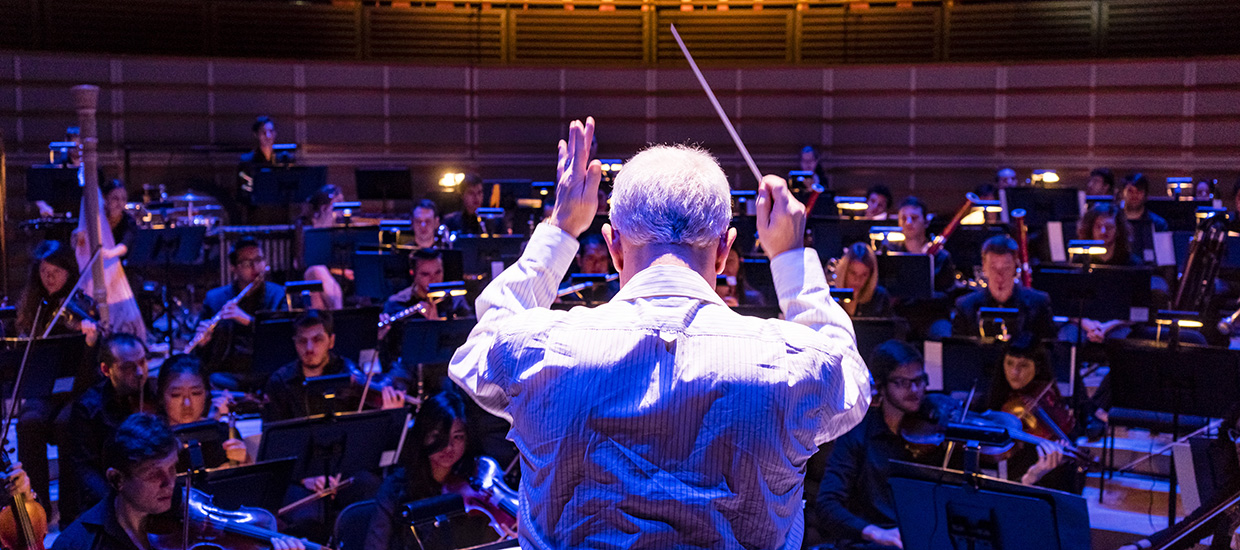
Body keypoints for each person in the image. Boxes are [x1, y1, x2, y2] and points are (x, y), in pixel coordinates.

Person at [450, 118, 870, 549]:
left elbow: (483, 341)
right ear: (725, 250)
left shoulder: (539, 349)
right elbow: (850, 373)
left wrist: (561, 229)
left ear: (613, 248)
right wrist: (791, 257)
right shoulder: (794, 363)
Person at [53, 413, 307, 550]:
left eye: (172, 468)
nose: (169, 482)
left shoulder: (191, 518)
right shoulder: (79, 544)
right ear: (117, 479)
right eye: (153, 474)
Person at [816, 340, 936, 549]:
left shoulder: (937, 430)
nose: (915, 389)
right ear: (881, 385)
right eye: (902, 382)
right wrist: (875, 533)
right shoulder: (858, 432)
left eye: (919, 380)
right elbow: (827, 504)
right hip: (875, 541)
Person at [365, 389, 506, 550]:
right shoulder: (395, 488)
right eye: (437, 436)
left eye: (458, 437)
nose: (448, 446)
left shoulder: (477, 487)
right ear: (423, 436)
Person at [1119, 402, 1240, 550]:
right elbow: (1191, 528)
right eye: (1237, 434)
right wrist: (1140, 546)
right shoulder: (1234, 487)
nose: (1238, 443)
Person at [62, 333, 153, 528]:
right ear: (106, 369)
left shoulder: (154, 395)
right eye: (128, 367)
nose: (139, 372)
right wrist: (119, 503)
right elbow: (84, 469)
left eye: (142, 362)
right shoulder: (88, 408)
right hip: (110, 501)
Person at [976, 333, 1079, 492]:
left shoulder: (1048, 400)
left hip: (1037, 480)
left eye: (1023, 365)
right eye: (1009, 363)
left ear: (1037, 368)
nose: (1014, 372)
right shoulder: (990, 400)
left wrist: (1036, 473)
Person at [263, 310, 403, 423]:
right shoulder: (279, 382)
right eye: (302, 341)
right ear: (294, 343)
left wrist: (387, 414)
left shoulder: (347, 371)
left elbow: (365, 428)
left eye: (318, 339)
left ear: (331, 341)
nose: (309, 348)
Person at [194, 237, 288, 390]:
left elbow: (282, 338)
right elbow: (201, 354)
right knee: (210, 380)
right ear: (233, 268)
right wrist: (203, 343)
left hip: (266, 371)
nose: (255, 267)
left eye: (259, 260)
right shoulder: (215, 299)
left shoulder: (278, 295)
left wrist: (248, 321)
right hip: (228, 372)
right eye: (246, 263)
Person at [950, 236, 1055, 341]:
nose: (999, 276)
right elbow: (958, 352)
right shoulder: (965, 306)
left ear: (1015, 267)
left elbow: (1048, 350)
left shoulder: (1038, 303)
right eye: (993, 267)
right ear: (984, 267)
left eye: (1006, 268)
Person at [156, 354, 251, 469]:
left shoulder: (225, 434)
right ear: (161, 396)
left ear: (206, 393)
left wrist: (244, 461)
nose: (187, 404)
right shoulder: (154, 441)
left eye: (196, 393)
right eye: (176, 395)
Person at [382, 248, 472, 324]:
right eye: (425, 274)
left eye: (438, 272)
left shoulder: (455, 299)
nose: (434, 279)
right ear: (413, 274)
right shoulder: (396, 303)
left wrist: (436, 323)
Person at [895, 197, 958, 295]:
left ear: (926, 222)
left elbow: (948, 296)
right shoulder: (892, 254)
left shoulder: (941, 257)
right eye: (903, 218)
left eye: (914, 218)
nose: (908, 223)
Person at [832, 242, 892, 318]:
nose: (857, 279)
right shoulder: (830, 297)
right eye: (853, 273)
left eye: (864, 275)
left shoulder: (880, 299)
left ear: (870, 276)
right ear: (844, 272)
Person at [558, 233, 619, 305]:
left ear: (609, 261)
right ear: (579, 260)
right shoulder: (561, 292)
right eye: (591, 258)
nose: (597, 264)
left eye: (602, 259)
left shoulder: (619, 293)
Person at [1121, 173, 1169, 262]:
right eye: (1130, 191)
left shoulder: (1158, 224)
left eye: (1139, 191)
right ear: (1122, 193)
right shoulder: (1115, 222)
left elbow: (1166, 260)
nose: (1134, 195)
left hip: (1149, 272)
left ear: (1145, 195)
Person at [1075, 202, 1140, 267]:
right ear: (1091, 229)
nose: (1103, 231)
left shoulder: (1132, 264)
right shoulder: (1079, 263)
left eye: (1109, 227)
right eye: (1098, 226)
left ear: (1118, 230)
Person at [236, 115, 278, 208]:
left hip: (280, 210)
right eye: (264, 132)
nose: (268, 136)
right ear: (256, 134)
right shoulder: (247, 161)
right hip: (256, 210)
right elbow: (243, 190)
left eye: (271, 131)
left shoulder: (283, 158)